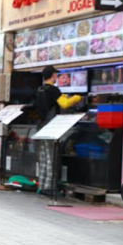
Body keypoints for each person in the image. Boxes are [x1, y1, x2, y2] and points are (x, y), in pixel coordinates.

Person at [35, 65, 81, 197]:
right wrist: (77, 98)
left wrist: (63, 96)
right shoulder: (53, 90)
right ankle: (50, 187)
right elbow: (64, 104)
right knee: (51, 158)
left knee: (44, 157)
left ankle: (43, 185)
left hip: (41, 126)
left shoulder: (40, 89)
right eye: (56, 74)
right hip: (51, 127)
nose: (57, 76)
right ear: (53, 75)